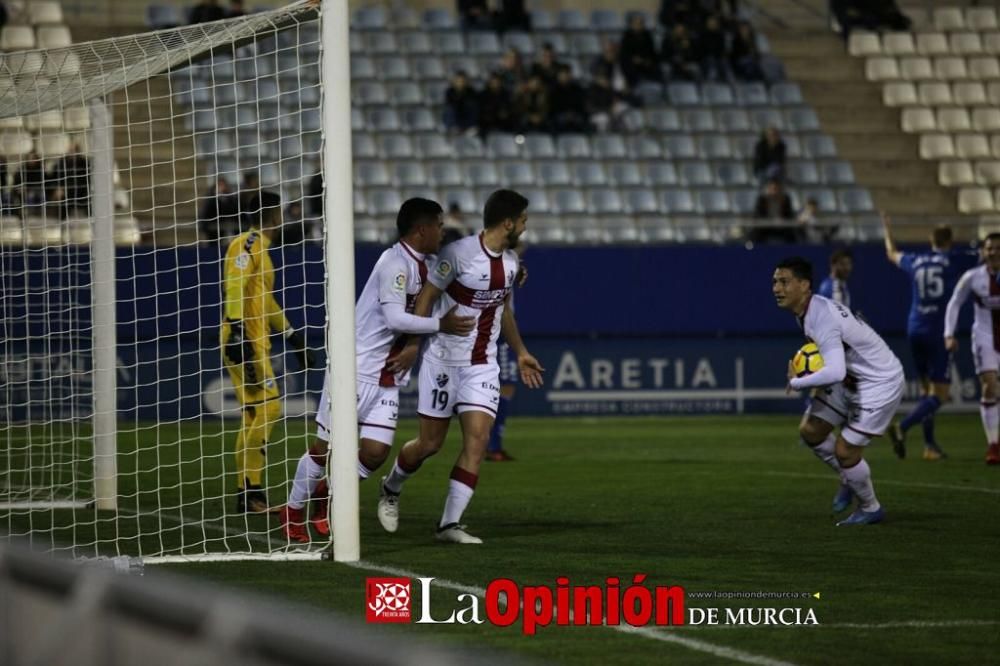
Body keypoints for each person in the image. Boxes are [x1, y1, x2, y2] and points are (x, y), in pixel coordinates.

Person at [278, 198, 475, 542]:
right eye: (439, 226)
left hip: (388, 376)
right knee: (325, 448)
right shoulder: (395, 263)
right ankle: (293, 510)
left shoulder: (428, 263)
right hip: (355, 369)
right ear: (421, 230)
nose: (444, 232)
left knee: (375, 454)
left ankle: (324, 497)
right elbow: (394, 318)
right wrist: (439, 325)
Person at [377, 189, 544, 544]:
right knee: (429, 444)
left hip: (482, 366)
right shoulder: (457, 255)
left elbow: (504, 310)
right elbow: (427, 297)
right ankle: (391, 487)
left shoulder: (512, 263)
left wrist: (521, 352)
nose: (527, 227)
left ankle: (449, 524)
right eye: (524, 220)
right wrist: (411, 344)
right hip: (442, 363)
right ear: (508, 222)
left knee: (478, 440)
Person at [774, 256, 904, 525]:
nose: (777, 288)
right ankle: (849, 476)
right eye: (775, 282)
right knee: (811, 431)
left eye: (784, 282)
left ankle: (870, 508)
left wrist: (796, 382)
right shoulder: (809, 311)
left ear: (804, 285)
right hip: (851, 379)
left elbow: (835, 372)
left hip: (879, 382)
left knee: (846, 451)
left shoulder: (822, 317)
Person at [220, 191, 315, 513]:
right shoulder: (247, 243)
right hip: (243, 340)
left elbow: (267, 301)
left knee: (254, 415)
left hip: (253, 340)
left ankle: (246, 493)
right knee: (270, 408)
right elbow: (234, 283)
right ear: (274, 215)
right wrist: (235, 331)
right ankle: (252, 490)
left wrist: (292, 336)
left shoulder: (262, 248)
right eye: (280, 212)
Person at [883, 216, 978, 460]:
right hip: (938, 331)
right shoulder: (954, 258)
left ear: (930, 240)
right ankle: (901, 427)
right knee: (941, 394)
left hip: (914, 328)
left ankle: (929, 446)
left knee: (928, 390)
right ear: (951, 240)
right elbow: (985, 256)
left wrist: (887, 227)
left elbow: (892, 253)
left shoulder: (916, 260)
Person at [944, 233, 1000, 466]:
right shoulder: (973, 277)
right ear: (983, 252)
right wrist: (949, 333)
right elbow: (955, 302)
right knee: (989, 384)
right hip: (985, 336)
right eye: (989, 248)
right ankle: (993, 445)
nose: (993, 252)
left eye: (997, 248)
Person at [198, 177, 240, 243]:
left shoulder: (231, 199)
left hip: (229, 229)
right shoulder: (210, 199)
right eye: (220, 185)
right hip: (214, 232)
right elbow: (205, 213)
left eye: (224, 185)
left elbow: (234, 211)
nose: (222, 187)